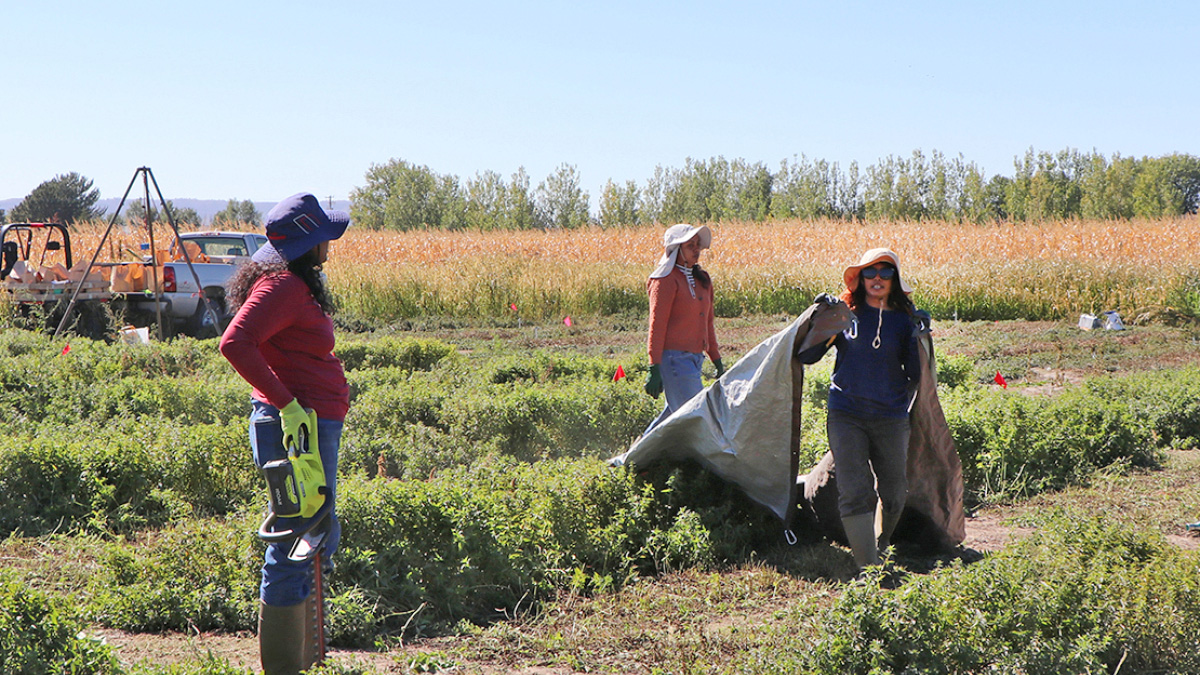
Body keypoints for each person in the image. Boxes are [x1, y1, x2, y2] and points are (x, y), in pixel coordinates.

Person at [219, 193, 350, 675]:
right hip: (299, 431)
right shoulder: (283, 289)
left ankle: (306, 660)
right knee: (297, 541)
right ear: (309, 245)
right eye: (323, 240)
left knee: (317, 535)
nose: (329, 249)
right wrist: (289, 403)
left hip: (308, 427)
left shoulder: (288, 283)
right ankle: (284, 668)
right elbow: (234, 343)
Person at [797, 248, 923, 571]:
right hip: (846, 413)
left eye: (885, 272)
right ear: (860, 279)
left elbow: (917, 375)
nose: (877, 279)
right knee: (854, 490)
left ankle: (880, 546)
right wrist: (819, 318)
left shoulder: (904, 319)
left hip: (891, 417)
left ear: (894, 280)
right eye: (870, 273)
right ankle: (869, 571)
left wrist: (919, 337)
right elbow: (808, 355)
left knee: (895, 492)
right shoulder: (845, 314)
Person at [643, 223, 724, 434]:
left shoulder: (702, 280)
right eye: (690, 245)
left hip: (694, 360)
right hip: (674, 360)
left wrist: (716, 358)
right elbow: (657, 325)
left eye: (697, 244)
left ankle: (629, 462)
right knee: (697, 416)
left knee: (670, 418)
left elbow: (707, 322)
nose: (697, 249)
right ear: (676, 249)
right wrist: (654, 367)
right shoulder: (665, 280)